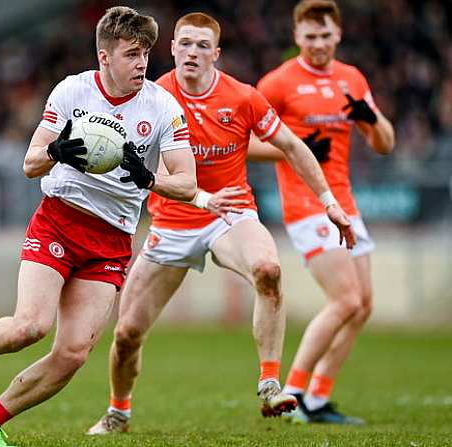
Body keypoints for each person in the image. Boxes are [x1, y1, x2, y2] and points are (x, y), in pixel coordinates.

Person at [0, 7, 246, 447]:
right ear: (104, 57)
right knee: (30, 326)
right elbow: (29, 163)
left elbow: (188, 181)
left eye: (146, 54)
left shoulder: (162, 105)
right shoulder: (72, 91)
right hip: (60, 220)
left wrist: (149, 179)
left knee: (74, 353)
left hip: (112, 238)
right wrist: (58, 149)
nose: (142, 64)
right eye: (132, 54)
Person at [85, 12, 356, 435]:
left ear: (216, 53)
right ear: (172, 49)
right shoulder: (151, 98)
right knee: (126, 336)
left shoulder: (243, 97)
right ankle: (118, 410)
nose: (192, 52)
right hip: (171, 224)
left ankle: (270, 383)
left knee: (268, 269)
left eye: (201, 45)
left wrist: (330, 202)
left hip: (228, 214)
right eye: (185, 44)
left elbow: (290, 145)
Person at [251, 0, 394, 425]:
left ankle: (316, 399)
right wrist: (298, 148)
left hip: (346, 206)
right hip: (306, 206)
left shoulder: (352, 79)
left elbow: (384, 143)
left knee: (362, 305)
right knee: (345, 299)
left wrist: (371, 116)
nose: (317, 44)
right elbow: (241, 144)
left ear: (338, 34)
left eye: (325, 35)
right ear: (296, 37)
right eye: (309, 36)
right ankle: (292, 393)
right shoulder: (277, 84)